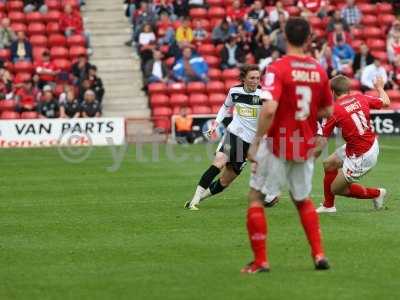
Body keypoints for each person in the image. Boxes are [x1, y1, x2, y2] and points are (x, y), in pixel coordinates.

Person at [242, 17, 333, 273]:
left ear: (284, 36)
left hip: (277, 143)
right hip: (304, 144)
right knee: (302, 200)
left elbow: (269, 108)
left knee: (256, 197)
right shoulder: (318, 69)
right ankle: (318, 255)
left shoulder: (278, 67)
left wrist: (256, 141)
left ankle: (261, 261)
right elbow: (327, 109)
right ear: (308, 38)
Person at [184, 64, 264, 210]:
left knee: (225, 181)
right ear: (244, 79)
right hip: (234, 134)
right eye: (252, 78)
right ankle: (194, 201)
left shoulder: (263, 95)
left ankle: (198, 199)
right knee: (219, 162)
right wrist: (215, 124)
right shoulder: (234, 91)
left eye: (258, 78)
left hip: (249, 144)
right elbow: (226, 106)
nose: (255, 81)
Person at [315, 75, 390, 213]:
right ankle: (328, 206)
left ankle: (377, 193)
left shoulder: (334, 110)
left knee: (336, 189)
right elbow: (386, 101)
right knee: (329, 163)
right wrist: (379, 87)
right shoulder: (361, 97)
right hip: (364, 144)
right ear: (348, 89)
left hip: (362, 155)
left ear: (332, 92)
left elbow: (321, 141)